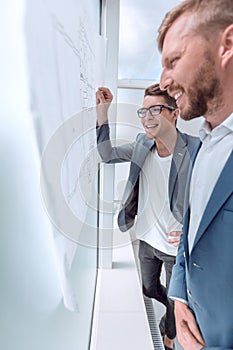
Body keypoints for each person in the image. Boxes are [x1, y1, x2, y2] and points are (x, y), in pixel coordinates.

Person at [96, 84, 199, 350]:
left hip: (176, 248)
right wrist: (102, 115)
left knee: (178, 301)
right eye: (143, 111)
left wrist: (193, 231)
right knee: (149, 290)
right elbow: (107, 154)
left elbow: (211, 198)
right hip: (146, 240)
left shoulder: (196, 150)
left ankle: (168, 337)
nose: (147, 117)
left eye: (156, 109)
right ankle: (171, 315)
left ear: (174, 114)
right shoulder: (143, 144)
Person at [157, 0, 233, 349]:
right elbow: (194, 228)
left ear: (227, 45)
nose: (164, 80)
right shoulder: (205, 142)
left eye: (174, 61)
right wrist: (180, 295)